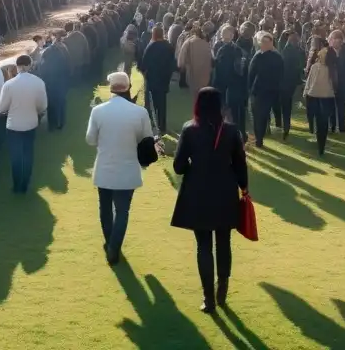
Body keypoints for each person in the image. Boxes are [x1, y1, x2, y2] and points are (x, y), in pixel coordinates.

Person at [171, 86, 249, 313]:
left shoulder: (189, 129)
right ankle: (222, 287)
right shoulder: (232, 131)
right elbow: (240, 165)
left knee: (203, 246)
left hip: (198, 193)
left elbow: (179, 166)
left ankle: (208, 298)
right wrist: (244, 188)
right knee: (224, 242)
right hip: (225, 192)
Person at [86, 71, 153, 266]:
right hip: (128, 168)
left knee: (105, 208)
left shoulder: (98, 111)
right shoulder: (140, 112)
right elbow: (145, 139)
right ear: (127, 87)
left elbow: (90, 140)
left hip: (105, 167)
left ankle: (110, 244)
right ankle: (114, 247)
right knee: (122, 211)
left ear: (111, 88)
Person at [0, 54, 47, 194]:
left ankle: (17, 184)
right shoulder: (38, 82)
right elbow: (43, 105)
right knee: (28, 154)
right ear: (30, 65)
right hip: (31, 123)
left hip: (13, 125)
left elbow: (1, 108)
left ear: (17, 66)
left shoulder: (9, 84)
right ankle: (25, 183)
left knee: (15, 156)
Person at [247, 32, 284, 148]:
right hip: (268, 91)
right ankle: (260, 136)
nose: (263, 44)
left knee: (258, 115)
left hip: (261, 91)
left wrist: (249, 88)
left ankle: (259, 138)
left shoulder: (259, 56)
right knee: (262, 115)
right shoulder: (277, 57)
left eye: (265, 42)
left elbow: (251, 73)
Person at [139, 26, 177, 135]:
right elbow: (173, 64)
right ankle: (162, 125)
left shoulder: (151, 47)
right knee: (162, 103)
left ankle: (155, 126)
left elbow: (143, 65)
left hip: (153, 79)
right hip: (164, 79)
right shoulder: (169, 46)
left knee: (153, 103)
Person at [214, 26, 248, 138]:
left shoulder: (235, 49)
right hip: (224, 84)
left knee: (233, 111)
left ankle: (237, 134)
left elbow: (239, 69)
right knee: (225, 111)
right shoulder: (219, 47)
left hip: (231, 85)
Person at [302, 44, 336, 156]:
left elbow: (335, 85)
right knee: (317, 121)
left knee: (323, 123)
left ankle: (321, 145)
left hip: (326, 98)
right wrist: (306, 92)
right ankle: (319, 142)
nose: (321, 53)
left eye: (324, 52)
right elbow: (309, 81)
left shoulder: (331, 69)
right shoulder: (315, 67)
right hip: (314, 97)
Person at [39, 34, 71, 131]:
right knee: (61, 103)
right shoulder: (62, 53)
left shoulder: (45, 56)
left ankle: (52, 125)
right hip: (61, 83)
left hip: (49, 84)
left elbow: (42, 72)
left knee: (51, 105)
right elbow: (67, 68)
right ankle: (61, 123)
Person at [278, 31, 305, 139]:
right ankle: (285, 127)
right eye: (293, 39)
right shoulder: (286, 49)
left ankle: (286, 127)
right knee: (286, 107)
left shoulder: (296, 50)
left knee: (287, 106)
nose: (295, 41)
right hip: (288, 82)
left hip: (291, 82)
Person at [178, 26, 214, 99]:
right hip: (204, 72)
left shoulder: (188, 42)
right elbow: (211, 57)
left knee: (195, 93)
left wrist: (181, 65)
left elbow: (182, 55)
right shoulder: (206, 44)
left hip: (192, 71)